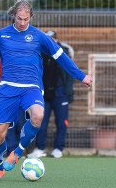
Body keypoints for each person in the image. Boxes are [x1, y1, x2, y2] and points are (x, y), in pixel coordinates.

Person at [0, 0, 92, 181]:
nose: (22, 22)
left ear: (31, 17)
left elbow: (61, 57)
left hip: (32, 88)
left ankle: (17, 153)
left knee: (38, 115)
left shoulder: (40, 37)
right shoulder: (1, 35)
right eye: (19, 19)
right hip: (8, 89)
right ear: (14, 16)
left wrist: (81, 76)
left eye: (26, 19)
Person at [28, 30, 75, 159]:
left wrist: (68, 93)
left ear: (56, 39)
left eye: (52, 39)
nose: (49, 41)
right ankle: (40, 148)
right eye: (47, 39)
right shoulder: (40, 52)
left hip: (60, 94)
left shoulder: (64, 51)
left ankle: (58, 148)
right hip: (44, 94)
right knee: (40, 121)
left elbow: (70, 72)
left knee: (61, 122)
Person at [0, 62, 26, 155]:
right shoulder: (5, 59)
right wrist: (9, 86)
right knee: (9, 125)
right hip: (8, 99)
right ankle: (11, 151)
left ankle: (20, 151)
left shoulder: (26, 60)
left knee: (21, 124)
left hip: (22, 98)